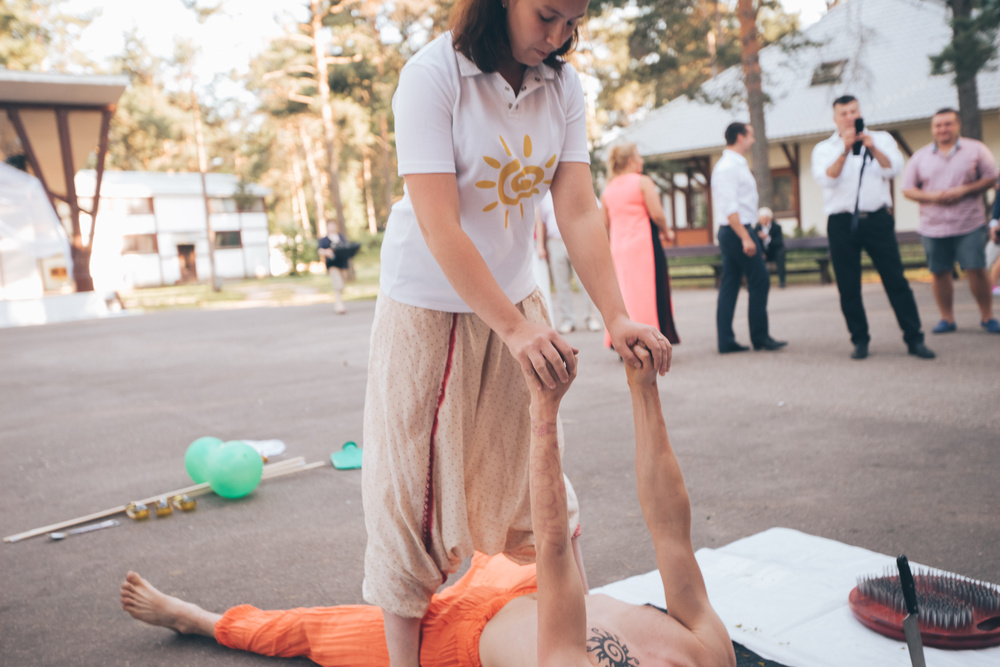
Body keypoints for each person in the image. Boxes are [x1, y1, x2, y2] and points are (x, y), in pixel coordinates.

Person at [364, 1, 672, 664]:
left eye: (574, 21)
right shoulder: (433, 76)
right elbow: (439, 222)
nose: (559, 36)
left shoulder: (561, 85)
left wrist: (617, 315)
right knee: (413, 490)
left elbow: (578, 208)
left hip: (516, 301)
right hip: (431, 305)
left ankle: (582, 639)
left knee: (542, 475)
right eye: (547, 16)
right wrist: (513, 326)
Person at [119, 345, 736, 667]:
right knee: (474, 493)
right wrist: (643, 388)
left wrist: (543, 410)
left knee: (313, 631)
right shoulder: (710, 651)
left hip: (463, 638)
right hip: (529, 583)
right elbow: (670, 528)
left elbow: (553, 542)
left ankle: (197, 619)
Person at [811, 95, 935, 360]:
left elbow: (894, 169)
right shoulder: (824, 148)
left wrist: (873, 148)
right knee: (848, 285)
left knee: (895, 279)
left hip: (877, 218)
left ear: (860, 112)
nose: (849, 117)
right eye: (843, 113)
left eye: (853, 111)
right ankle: (860, 339)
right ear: (835, 119)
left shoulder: (882, 139)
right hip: (842, 222)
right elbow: (827, 179)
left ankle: (914, 338)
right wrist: (844, 151)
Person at [901, 108, 999, 334]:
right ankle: (947, 318)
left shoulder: (976, 150)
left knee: (976, 269)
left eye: (947, 124)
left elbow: (991, 178)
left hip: (969, 223)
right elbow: (907, 189)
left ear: (957, 125)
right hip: (932, 226)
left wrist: (964, 190)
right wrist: (931, 197)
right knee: (940, 272)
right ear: (932, 128)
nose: (942, 129)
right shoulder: (920, 157)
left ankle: (987, 316)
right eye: (938, 125)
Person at [710, 123, 787, 354]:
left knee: (731, 284)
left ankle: (726, 341)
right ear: (740, 137)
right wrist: (746, 237)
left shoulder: (735, 164)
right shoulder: (727, 167)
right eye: (750, 136)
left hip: (737, 229)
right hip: (736, 230)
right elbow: (730, 207)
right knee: (760, 280)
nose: (753, 140)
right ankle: (760, 337)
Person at [601, 142, 681, 348]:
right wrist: (667, 231)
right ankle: (649, 338)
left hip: (618, 247)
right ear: (630, 161)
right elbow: (656, 213)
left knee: (625, 293)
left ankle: (624, 339)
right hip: (643, 245)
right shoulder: (642, 182)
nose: (642, 161)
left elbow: (604, 224)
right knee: (647, 290)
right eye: (639, 157)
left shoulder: (608, 190)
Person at [535, 190, 602, 334]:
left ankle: (591, 318)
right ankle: (567, 320)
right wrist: (544, 246)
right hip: (555, 242)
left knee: (584, 281)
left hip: (578, 240)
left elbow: (594, 210)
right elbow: (542, 223)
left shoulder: (573, 183)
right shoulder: (543, 195)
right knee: (561, 284)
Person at [317, 230, 350, 314]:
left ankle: (339, 304)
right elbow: (320, 250)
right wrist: (327, 252)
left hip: (342, 264)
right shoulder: (324, 239)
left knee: (342, 285)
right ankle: (339, 306)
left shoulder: (340, 237)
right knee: (337, 284)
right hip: (332, 264)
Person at [754, 207, 787, 288]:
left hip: (775, 251)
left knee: (781, 254)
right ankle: (759, 282)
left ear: (769, 218)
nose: (762, 221)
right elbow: (756, 243)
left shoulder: (776, 227)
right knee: (755, 257)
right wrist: (761, 252)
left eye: (764, 219)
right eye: (761, 219)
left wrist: (767, 238)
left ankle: (782, 281)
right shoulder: (757, 228)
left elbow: (779, 243)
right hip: (764, 252)